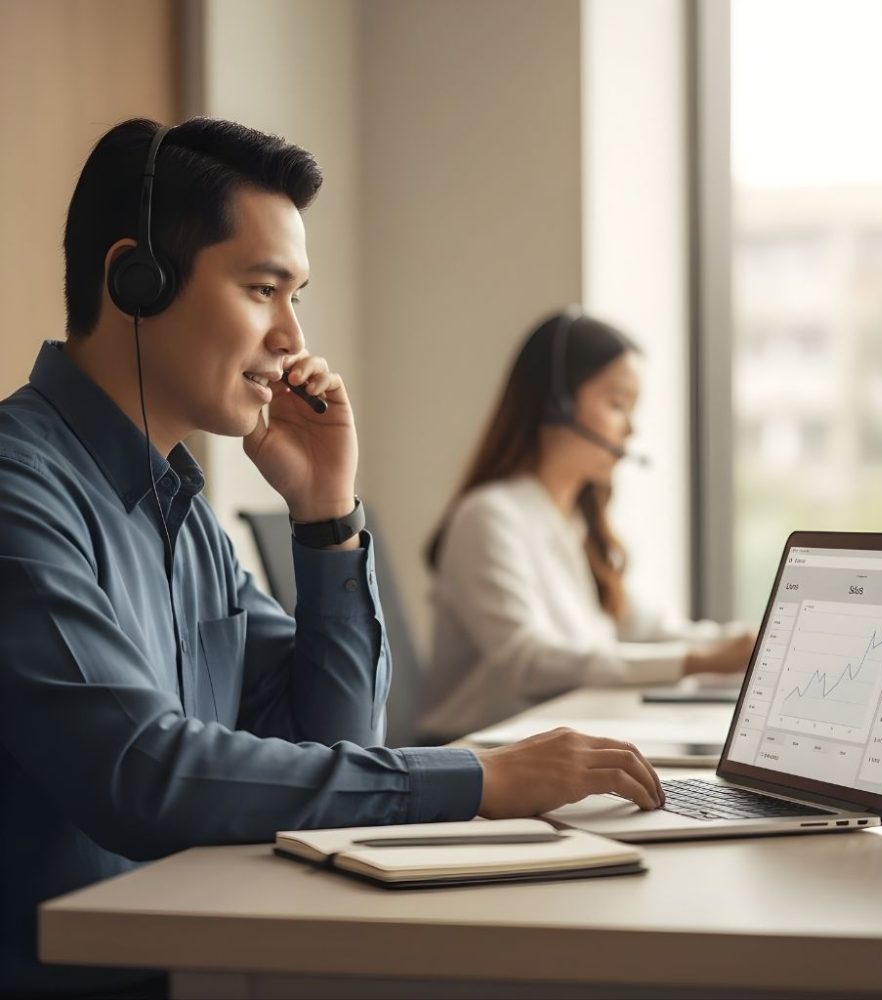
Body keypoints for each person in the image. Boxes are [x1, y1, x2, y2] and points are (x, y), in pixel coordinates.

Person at [0, 119, 665, 999]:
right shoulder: (19, 488)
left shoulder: (184, 519)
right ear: (137, 280)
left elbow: (338, 741)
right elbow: (143, 773)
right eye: (262, 290)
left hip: (202, 958)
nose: (292, 337)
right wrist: (477, 778)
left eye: (297, 296)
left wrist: (326, 519)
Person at [423, 310, 755, 740]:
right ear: (556, 404)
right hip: (480, 757)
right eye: (617, 404)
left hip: (553, 742)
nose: (630, 428)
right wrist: (696, 662)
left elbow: (644, 628)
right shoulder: (489, 516)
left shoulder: (574, 523)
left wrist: (744, 643)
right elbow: (528, 662)